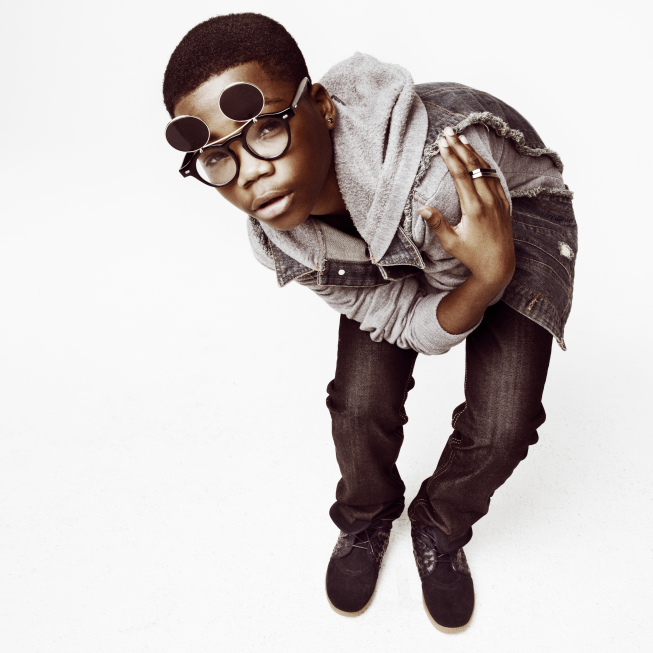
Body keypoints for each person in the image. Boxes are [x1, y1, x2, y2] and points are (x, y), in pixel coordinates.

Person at [162, 12, 577, 633]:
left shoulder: (438, 182)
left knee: (504, 424)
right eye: (218, 156)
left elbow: (450, 309)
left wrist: (491, 275)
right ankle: (367, 516)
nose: (249, 173)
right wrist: (475, 283)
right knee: (356, 405)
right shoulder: (279, 236)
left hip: (506, 218)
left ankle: (440, 522)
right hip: (416, 247)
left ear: (321, 105)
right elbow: (404, 319)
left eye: (267, 129)